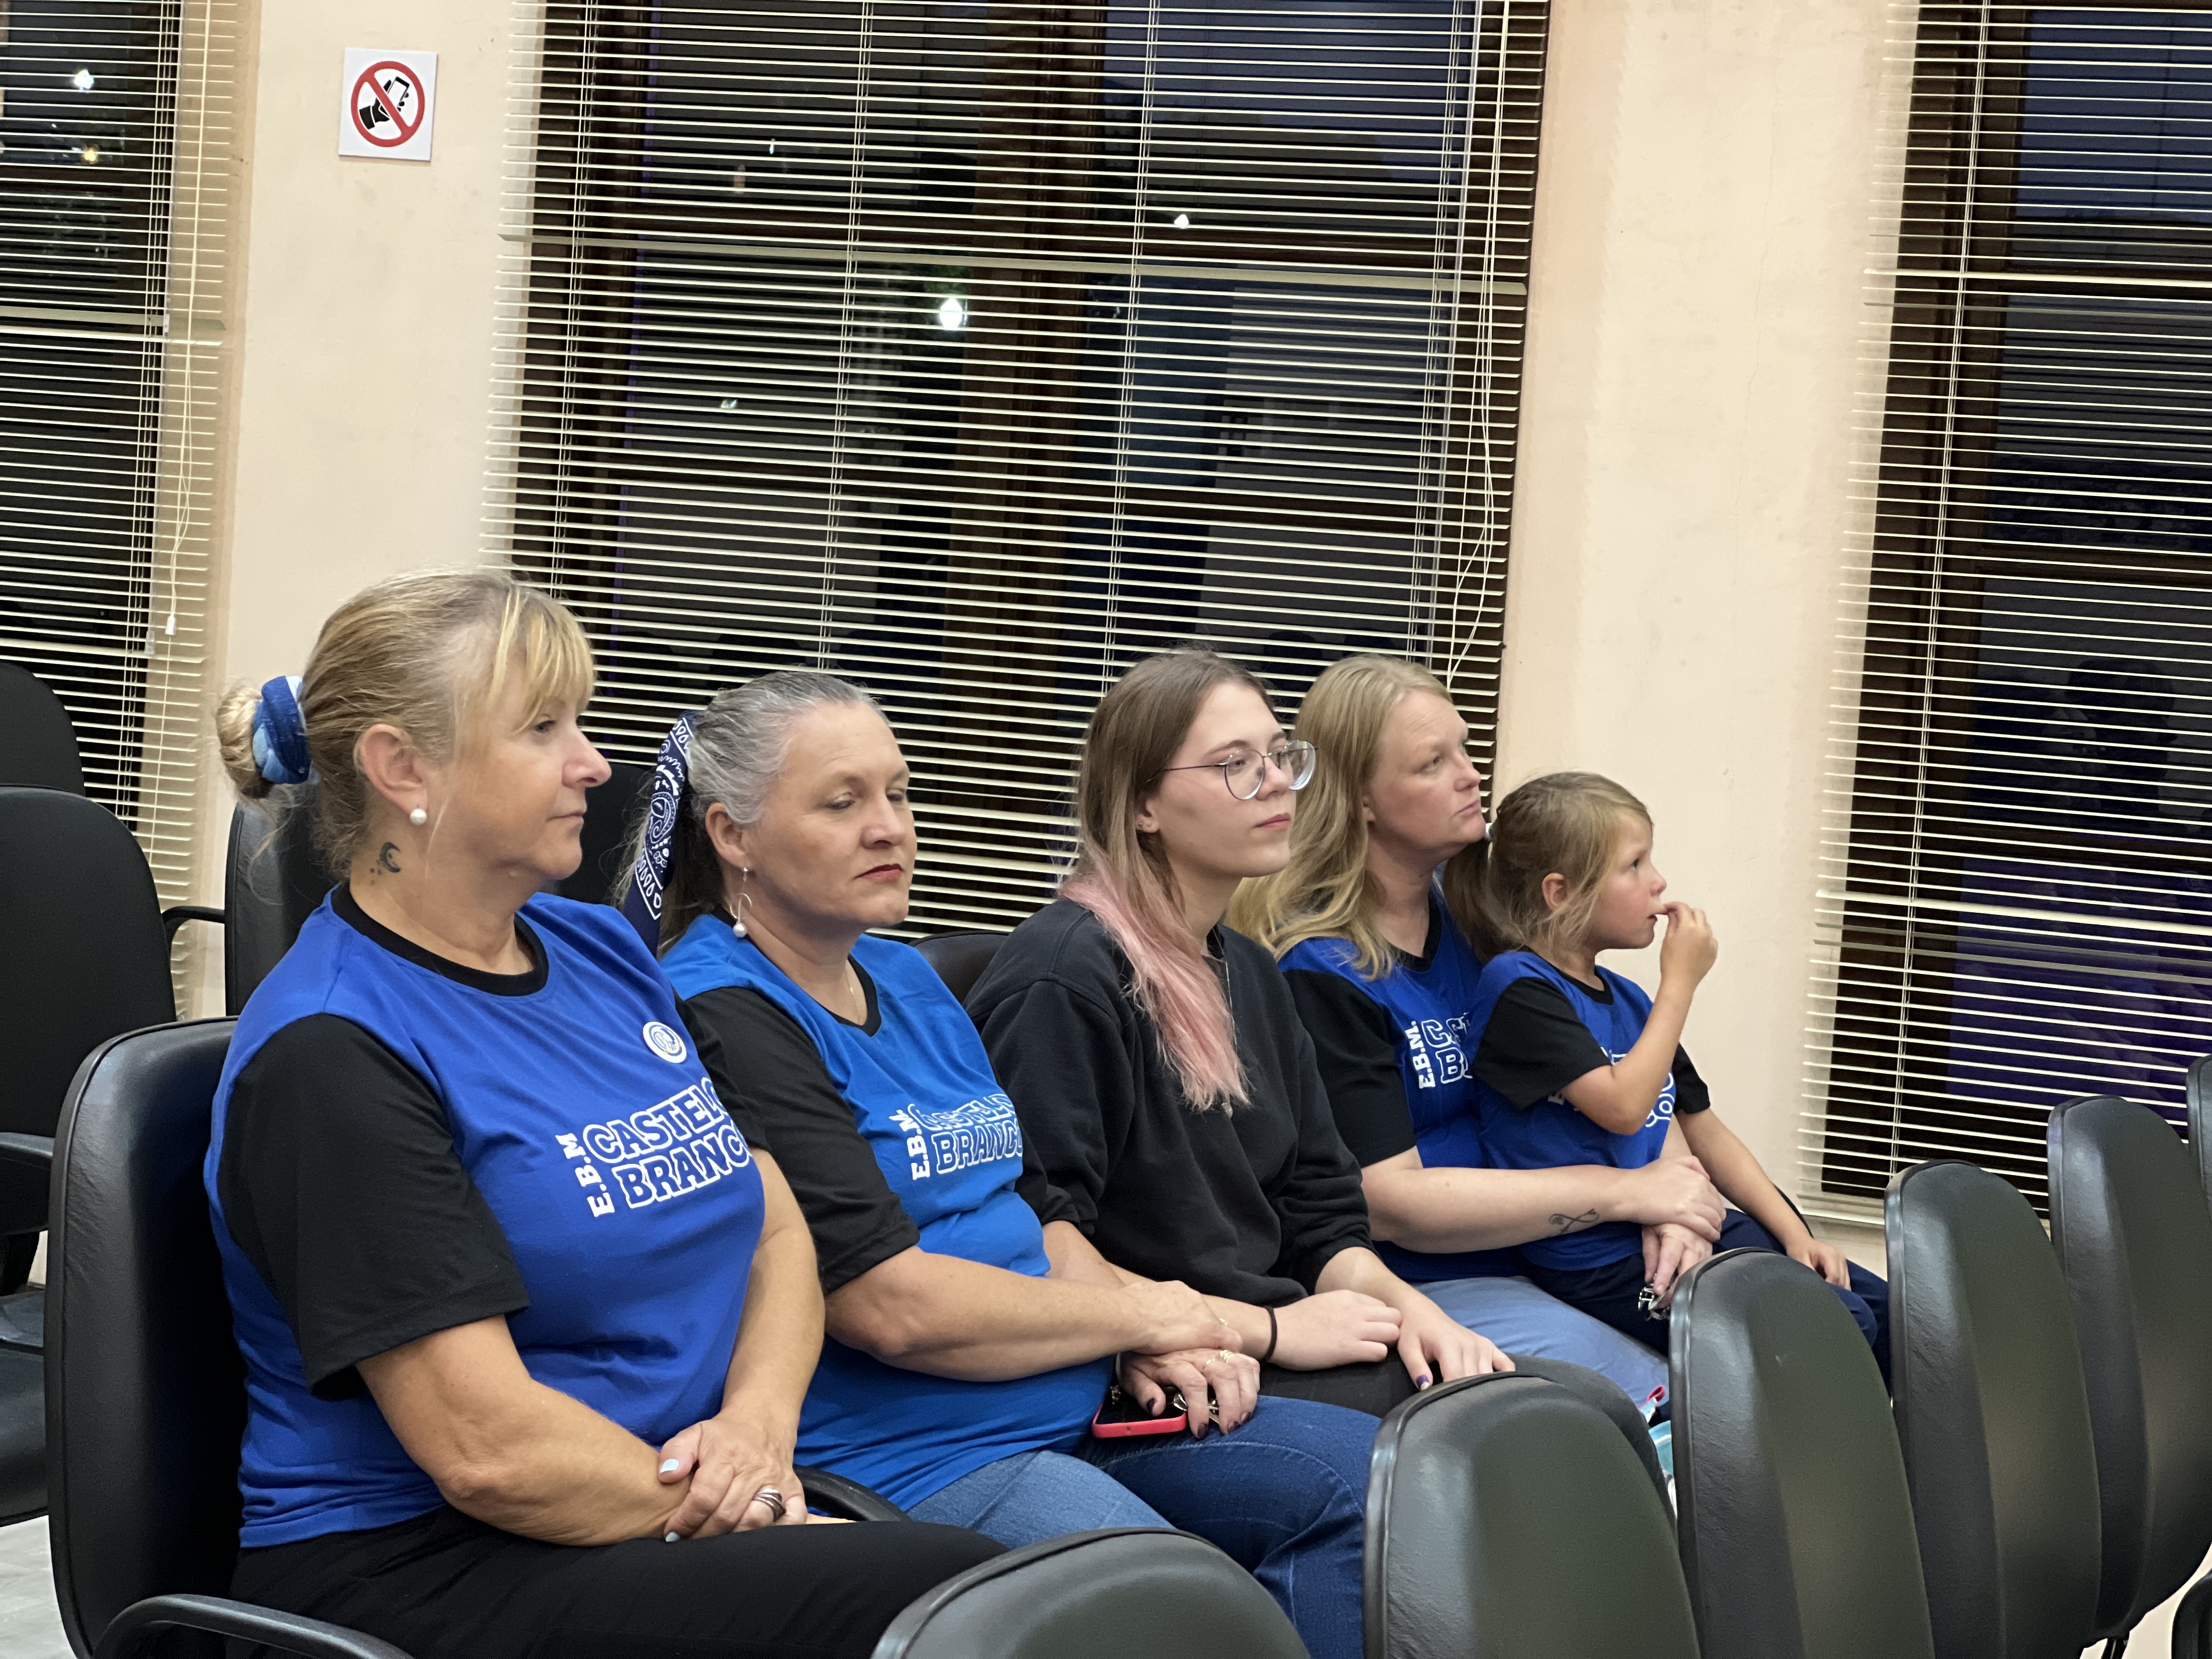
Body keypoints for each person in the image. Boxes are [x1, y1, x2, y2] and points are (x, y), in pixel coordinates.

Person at [204, 571, 997, 1659]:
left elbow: (776, 1233)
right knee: (960, 1600)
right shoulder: (333, 1051)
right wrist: (762, 1514)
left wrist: (759, 1431)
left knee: (1004, 1595)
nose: (594, 763)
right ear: (402, 767)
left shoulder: (603, 951)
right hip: (425, 1562)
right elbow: (488, 1450)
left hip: (662, 1503)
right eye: (543, 728)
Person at [618, 672, 1379, 1659]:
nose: (889, 827)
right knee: (1186, 1615)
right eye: (842, 802)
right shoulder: (719, 1007)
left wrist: (1134, 1334)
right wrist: (1150, 1317)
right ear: (733, 834)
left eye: (898, 793)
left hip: (1071, 1394)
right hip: (922, 1450)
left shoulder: (904, 973)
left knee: (1365, 1480)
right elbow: (887, 1305)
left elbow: (1032, 1210)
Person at [966, 646, 1660, 1459]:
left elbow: (1322, 1217)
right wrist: (1260, 1329)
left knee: (1582, 1416)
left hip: (1274, 1336)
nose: (1274, 784)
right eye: (1234, 764)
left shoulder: (1250, 972)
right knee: (1486, 1464)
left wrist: (1417, 1315)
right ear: (1143, 803)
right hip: (1154, 1376)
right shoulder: (1064, 978)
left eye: (1278, 756)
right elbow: (1035, 1236)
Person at [1233, 654, 1725, 1412]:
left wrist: (1677, 1200)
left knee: (1776, 1327)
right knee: (1676, 1396)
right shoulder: (1321, 971)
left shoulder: (1484, 916)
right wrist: (1631, 1194)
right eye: (1433, 763)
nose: (1471, 777)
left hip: (1570, 1241)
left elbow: (1624, 1049)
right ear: (1361, 799)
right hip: (1438, 1276)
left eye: (1465, 749)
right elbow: (1390, 1204)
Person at [1459, 770, 1891, 1379]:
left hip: (1677, 1223)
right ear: (1560, 892)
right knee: (1832, 1326)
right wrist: (1681, 982)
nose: (1658, 882)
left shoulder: (1631, 1001)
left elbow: (1704, 1129)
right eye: (1634, 865)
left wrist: (1797, 1234)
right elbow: (1623, 1108)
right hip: (1599, 1262)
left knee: (1893, 1316)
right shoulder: (1517, 986)